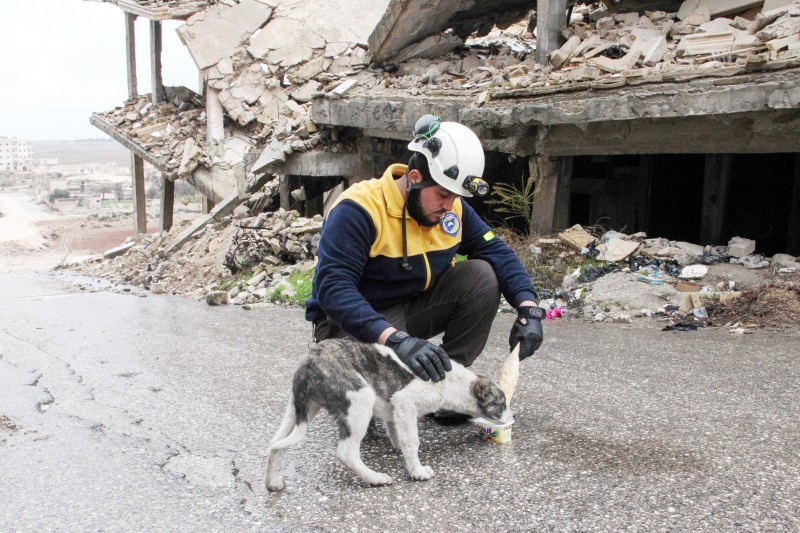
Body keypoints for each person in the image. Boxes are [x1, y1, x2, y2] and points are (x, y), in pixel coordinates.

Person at [305, 115, 544, 388]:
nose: (449, 205)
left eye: (456, 197)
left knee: (481, 275)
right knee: (384, 400)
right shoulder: (359, 210)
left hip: (406, 309)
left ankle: (446, 386)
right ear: (415, 178)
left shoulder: (452, 209)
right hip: (350, 322)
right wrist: (396, 340)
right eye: (443, 194)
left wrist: (530, 308)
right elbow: (333, 289)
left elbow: (496, 251)